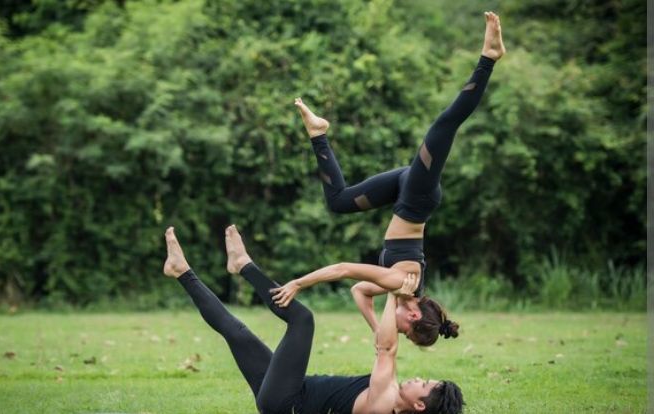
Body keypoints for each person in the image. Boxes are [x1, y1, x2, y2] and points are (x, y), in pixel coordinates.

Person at [271, 11, 506, 346]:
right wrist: (297, 284)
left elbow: (358, 291)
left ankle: (318, 132)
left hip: (403, 194)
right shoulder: (400, 281)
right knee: (445, 125)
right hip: (416, 198)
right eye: (402, 330)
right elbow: (342, 269)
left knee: (339, 201)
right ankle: (488, 58)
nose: (394, 327)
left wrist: (376, 330)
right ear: (413, 315)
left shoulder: (398, 288)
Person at [163, 224, 464, 414]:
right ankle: (181, 271)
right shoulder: (390, 392)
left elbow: (387, 349)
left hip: (287, 401)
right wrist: (385, 311)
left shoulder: (385, 403)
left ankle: (243, 264)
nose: (417, 378)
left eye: (422, 384)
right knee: (237, 332)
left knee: (302, 320)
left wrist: (394, 290)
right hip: (287, 395)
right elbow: (379, 337)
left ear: (419, 404)